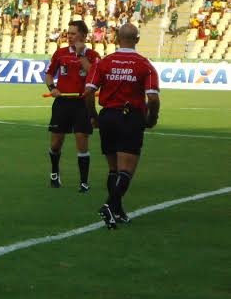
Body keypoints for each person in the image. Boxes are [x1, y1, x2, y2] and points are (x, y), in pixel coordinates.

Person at [84, 24, 160, 229]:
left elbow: (89, 92)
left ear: (117, 39)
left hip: (108, 116)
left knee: (113, 169)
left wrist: (93, 117)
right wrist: (152, 117)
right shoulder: (145, 65)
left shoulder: (103, 63)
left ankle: (117, 211)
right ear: (137, 40)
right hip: (130, 117)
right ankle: (109, 206)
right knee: (126, 169)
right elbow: (152, 97)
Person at [44, 20, 101, 192]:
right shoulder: (59, 53)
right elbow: (49, 74)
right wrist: (52, 88)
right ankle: (54, 173)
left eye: (73, 33)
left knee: (82, 140)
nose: (69, 36)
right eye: (68, 33)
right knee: (56, 144)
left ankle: (84, 182)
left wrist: (80, 54)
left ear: (83, 36)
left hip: (82, 104)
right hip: (62, 103)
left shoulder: (93, 55)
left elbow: (94, 74)